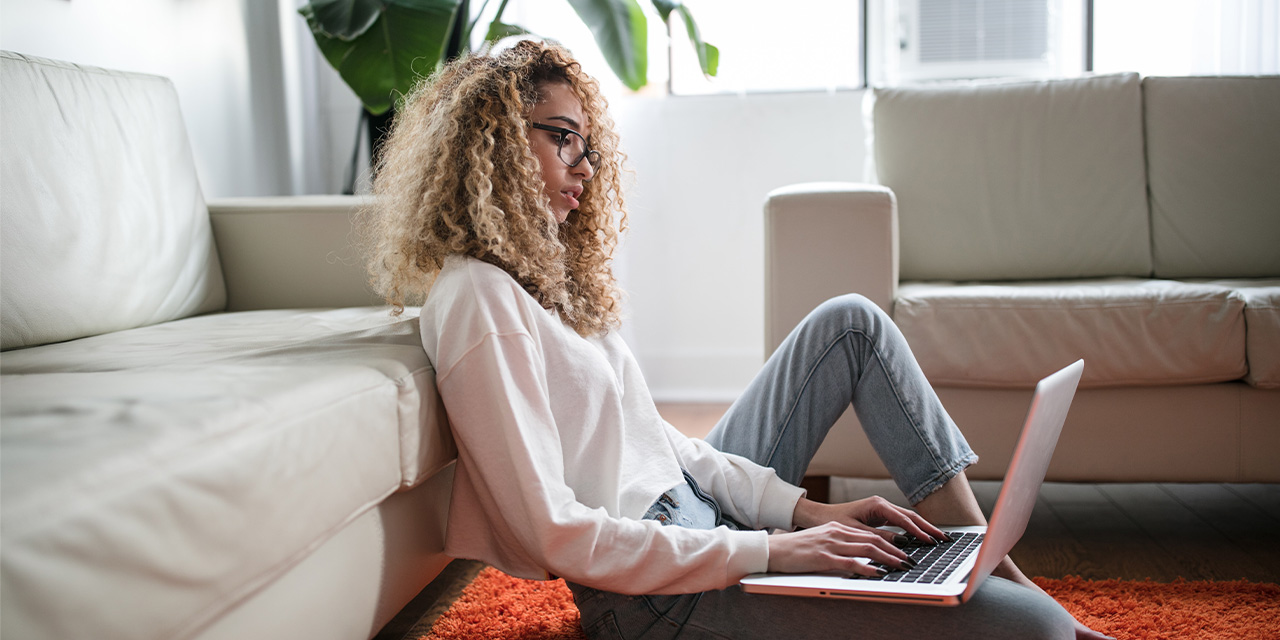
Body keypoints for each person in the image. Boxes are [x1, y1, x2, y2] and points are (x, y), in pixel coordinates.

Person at [361, 39, 1110, 640]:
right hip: (651, 599)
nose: (584, 167)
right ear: (491, 143)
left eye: (587, 145)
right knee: (1039, 632)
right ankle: (1002, 587)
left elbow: (663, 445)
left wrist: (804, 513)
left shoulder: (549, 282)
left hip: (698, 521)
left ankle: (980, 557)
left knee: (850, 321)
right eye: (563, 139)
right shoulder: (477, 298)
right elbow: (555, 533)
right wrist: (773, 551)